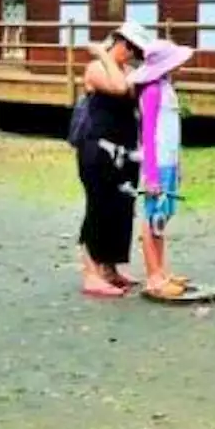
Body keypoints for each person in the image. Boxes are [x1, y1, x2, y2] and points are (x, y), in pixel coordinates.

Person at [76, 21, 151, 298]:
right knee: (99, 205)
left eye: (135, 49)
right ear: (117, 41)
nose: (130, 53)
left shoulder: (129, 70)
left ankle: (110, 267)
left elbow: (133, 92)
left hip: (126, 149)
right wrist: (104, 55)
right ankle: (90, 273)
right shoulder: (97, 68)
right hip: (97, 147)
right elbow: (119, 89)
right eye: (128, 46)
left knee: (121, 205)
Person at [132, 38, 194, 299]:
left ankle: (162, 269)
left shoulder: (167, 87)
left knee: (162, 216)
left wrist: (177, 162)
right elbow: (147, 133)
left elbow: (172, 130)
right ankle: (153, 276)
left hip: (168, 159)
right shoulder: (152, 91)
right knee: (151, 217)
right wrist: (151, 174)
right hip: (156, 162)